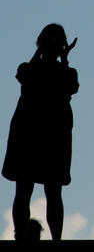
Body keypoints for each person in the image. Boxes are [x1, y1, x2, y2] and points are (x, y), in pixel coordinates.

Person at [2, 24, 78, 240]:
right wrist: (57, 56)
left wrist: (55, 56)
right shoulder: (34, 69)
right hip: (35, 135)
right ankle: (27, 235)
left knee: (47, 191)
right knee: (31, 190)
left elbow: (71, 84)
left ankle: (50, 237)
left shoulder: (62, 71)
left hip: (45, 136)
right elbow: (24, 75)